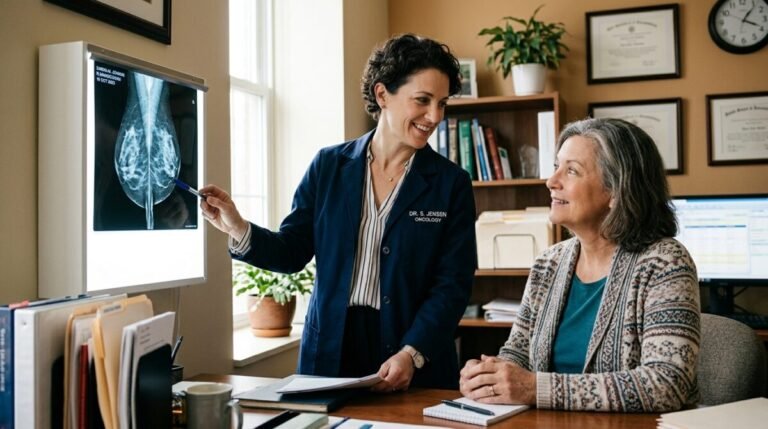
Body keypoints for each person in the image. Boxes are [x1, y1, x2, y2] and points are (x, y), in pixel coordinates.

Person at [200, 34, 477, 391]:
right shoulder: (329, 166)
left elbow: (452, 285)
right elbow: (292, 251)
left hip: (411, 352)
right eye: (422, 101)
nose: (434, 116)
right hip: (330, 348)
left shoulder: (450, 183)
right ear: (382, 95)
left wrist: (412, 353)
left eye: (442, 103)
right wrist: (237, 228)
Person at [459, 118, 700, 412]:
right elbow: (518, 353)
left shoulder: (666, 263)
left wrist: (535, 388)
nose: (551, 181)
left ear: (615, 190)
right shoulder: (548, 263)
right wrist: (490, 377)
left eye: (571, 170)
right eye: (555, 166)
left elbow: (666, 385)